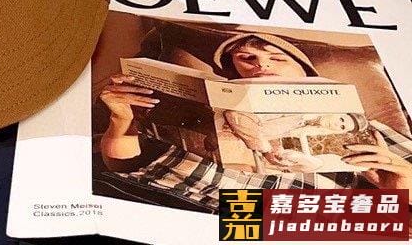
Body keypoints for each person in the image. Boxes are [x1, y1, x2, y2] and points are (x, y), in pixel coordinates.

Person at [96, 31, 412, 211]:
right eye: (247, 58)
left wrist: (400, 187)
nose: (261, 65)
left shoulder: (363, 127)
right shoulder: (198, 111)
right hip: (161, 204)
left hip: (285, 223)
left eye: (277, 58)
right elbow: (122, 165)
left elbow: (399, 220)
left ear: (305, 73)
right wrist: (121, 120)